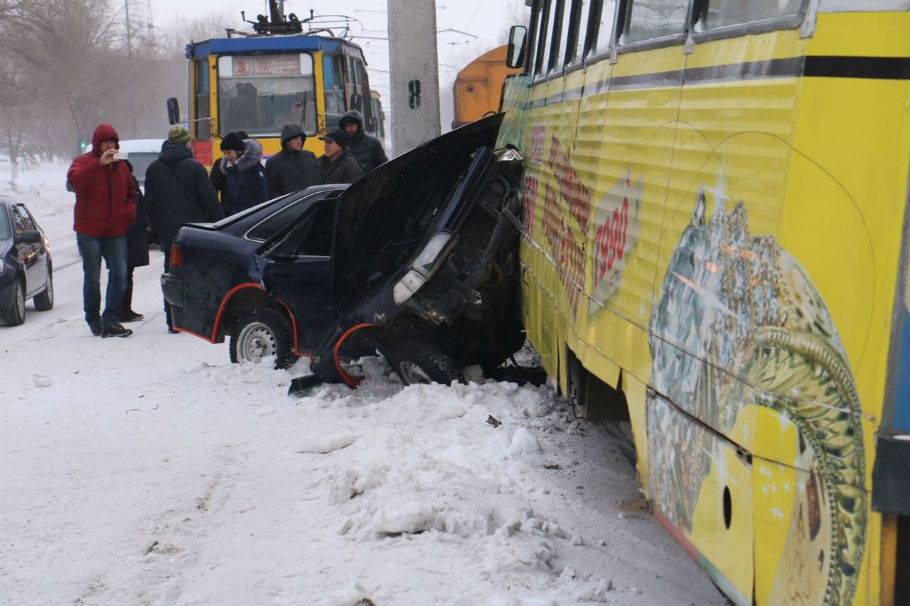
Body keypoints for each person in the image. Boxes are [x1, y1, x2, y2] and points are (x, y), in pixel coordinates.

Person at [145, 125, 224, 332]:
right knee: (196, 273)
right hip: (193, 232)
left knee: (171, 275)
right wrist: (220, 224)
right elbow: (209, 200)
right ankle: (193, 319)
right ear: (186, 143)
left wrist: (154, 232)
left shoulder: (153, 169)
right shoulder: (195, 168)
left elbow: (150, 204)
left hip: (168, 233)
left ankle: (172, 320)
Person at [67, 124, 137, 338]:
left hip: (115, 230)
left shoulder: (122, 167)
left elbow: (131, 193)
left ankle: (111, 319)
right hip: (89, 230)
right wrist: (98, 164)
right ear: (98, 144)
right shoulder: (83, 163)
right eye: (106, 142)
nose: (110, 146)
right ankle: (93, 319)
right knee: (92, 277)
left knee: (120, 274)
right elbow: (74, 182)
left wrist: (129, 212)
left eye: (113, 142)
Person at [121, 160, 149, 322]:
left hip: (131, 234)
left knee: (126, 274)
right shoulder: (126, 183)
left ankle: (125, 309)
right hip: (127, 234)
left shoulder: (129, 182)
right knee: (123, 274)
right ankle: (122, 310)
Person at [218, 131, 268, 215]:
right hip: (234, 218)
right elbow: (229, 198)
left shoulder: (255, 169)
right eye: (224, 153)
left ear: (239, 151)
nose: (227, 156)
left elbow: (263, 197)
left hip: (252, 217)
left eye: (229, 152)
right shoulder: (230, 170)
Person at [265, 124, 319, 197]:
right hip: (290, 205)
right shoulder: (274, 162)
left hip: (311, 202)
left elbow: (319, 180)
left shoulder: (309, 156)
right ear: (287, 141)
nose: (300, 142)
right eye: (296, 139)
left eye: (300, 139)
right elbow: (272, 190)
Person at [210, 130, 248, 202]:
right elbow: (211, 190)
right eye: (226, 153)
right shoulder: (220, 164)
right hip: (229, 210)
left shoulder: (253, 164)